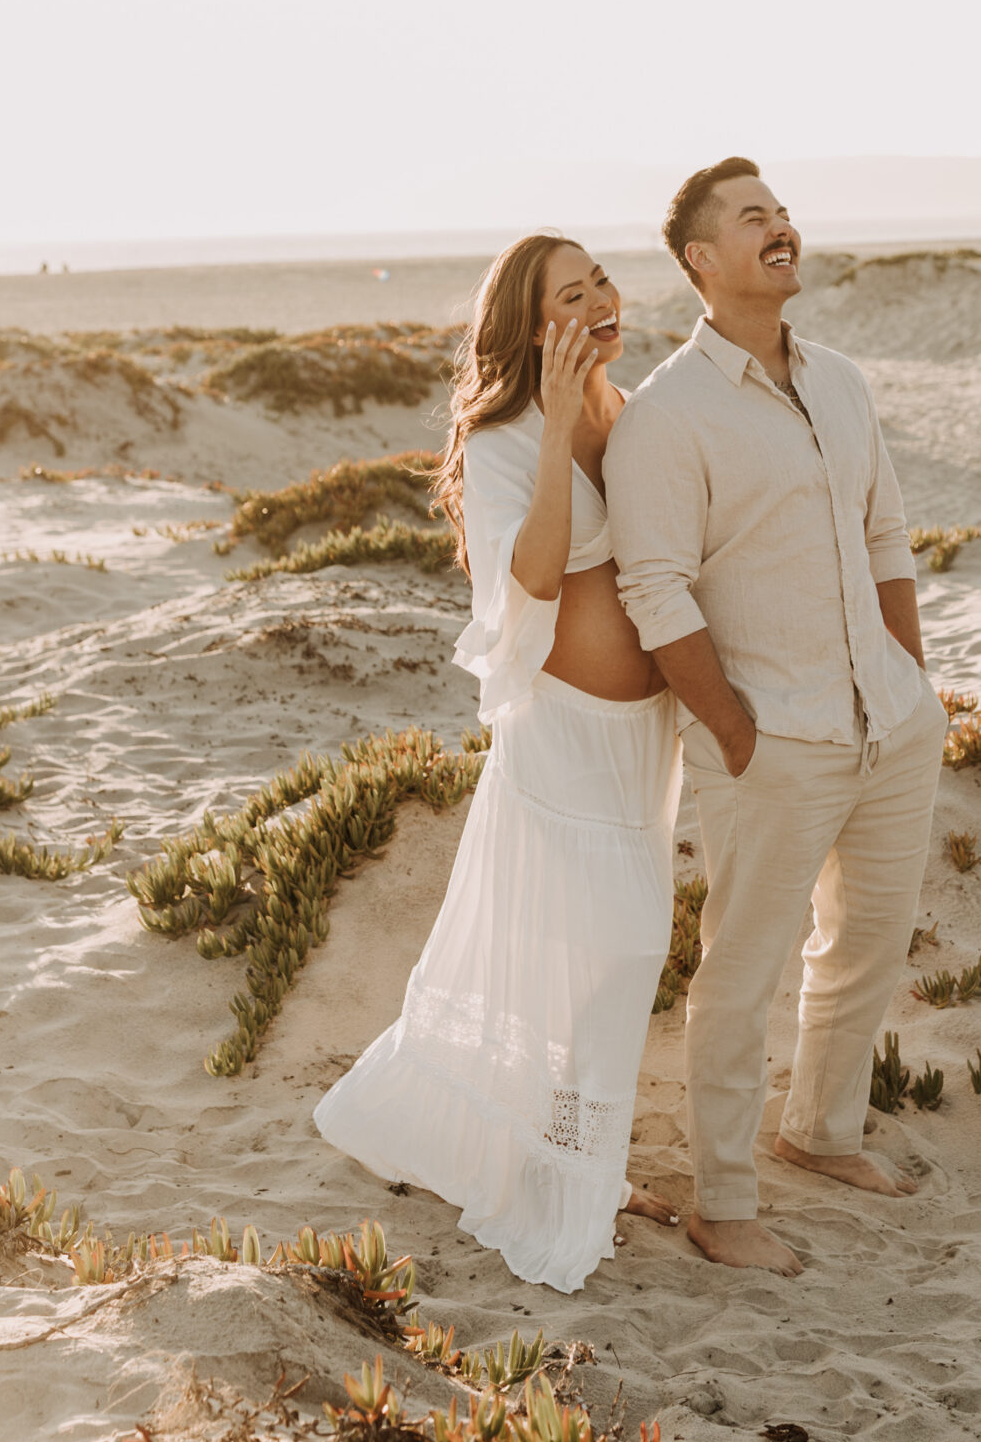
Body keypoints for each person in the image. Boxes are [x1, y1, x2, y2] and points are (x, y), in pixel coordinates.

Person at [313, 234, 682, 1294]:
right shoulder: (506, 435)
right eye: (575, 294)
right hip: (563, 734)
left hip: (641, 741)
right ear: (534, 326)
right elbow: (530, 573)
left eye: (603, 281)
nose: (603, 301)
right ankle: (568, 1177)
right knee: (606, 944)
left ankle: (581, 1159)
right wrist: (561, 426)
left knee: (616, 954)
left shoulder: (637, 411)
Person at [604, 158, 947, 1277]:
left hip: (886, 725)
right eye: (754, 218)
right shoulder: (668, 416)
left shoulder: (842, 381)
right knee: (741, 975)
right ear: (702, 261)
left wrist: (911, 681)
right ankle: (724, 1200)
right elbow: (652, 588)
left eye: (784, 212)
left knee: (868, 941)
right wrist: (735, 731)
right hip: (774, 739)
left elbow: (886, 535)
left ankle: (822, 1131)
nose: (782, 228)